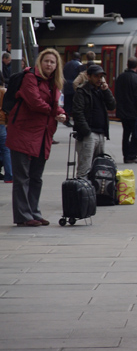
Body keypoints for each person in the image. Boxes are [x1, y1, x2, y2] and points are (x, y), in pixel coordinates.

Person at [7, 48, 67, 226]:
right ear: (40, 62)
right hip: (23, 133)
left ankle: (34, 212)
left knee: (36, 177)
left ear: (57, 66)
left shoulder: (54, 83)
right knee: (22, 177)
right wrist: (55, 113)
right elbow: (35, 102)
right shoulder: (30, 78)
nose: (49, 64)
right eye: (46, 61)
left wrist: (61, 113)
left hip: (42, 135)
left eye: (52, 62)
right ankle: (23, 216)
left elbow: (55, 104)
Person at [72, 64, 116, 179]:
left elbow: (112, 105)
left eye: (101, 76)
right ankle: (82, 194)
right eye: (96, 76)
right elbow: (78, 113)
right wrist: (87, 132)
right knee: (84, 169)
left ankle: (94, 194)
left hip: (101, 133)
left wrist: (106, 91)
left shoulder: (101, 91)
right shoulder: (82, 92)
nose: (99, 79)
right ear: (88, 76)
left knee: (98, 168)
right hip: (89, 135)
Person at [115, 57, 137, 163]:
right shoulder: (136, 78)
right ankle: (132, 155)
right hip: (133, 111)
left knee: (126, 133)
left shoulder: (120, 77)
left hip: (123, 111)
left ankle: (126, 155)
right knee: (136, 134)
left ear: (127, 65)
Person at [62, 52, 82, 127]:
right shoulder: (79, 64)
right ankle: (75, 121)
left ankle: (66, 119)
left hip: (66, 86)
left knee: (67, 104)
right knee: (75, 105)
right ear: (79, 57)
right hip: (74, 87)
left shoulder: (67, 64)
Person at [0, 85, 12, 184]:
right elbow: (7, 107)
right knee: (6, 149)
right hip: (1, 122)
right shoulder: (3, 91)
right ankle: (9, 175)